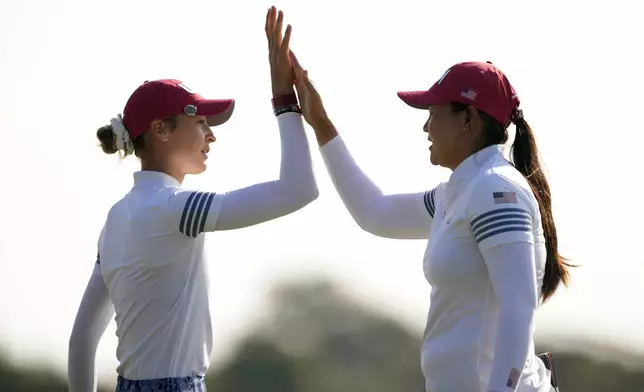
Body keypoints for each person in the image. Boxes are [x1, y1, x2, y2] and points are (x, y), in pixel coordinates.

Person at [67, 7, 317, 392]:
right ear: (160, 131)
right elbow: (299, 189)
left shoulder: (116, 217)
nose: (211, 136)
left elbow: (82, 340)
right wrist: (285, 99)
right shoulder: (175, 208)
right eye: (200, 123)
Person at [290, 54, 570, 392]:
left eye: (433, 114)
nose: (426, 127)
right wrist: (320, 122)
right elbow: (375, 212)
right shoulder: (459, 191)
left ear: (468, 119)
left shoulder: (495, 188)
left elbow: (518, 306)